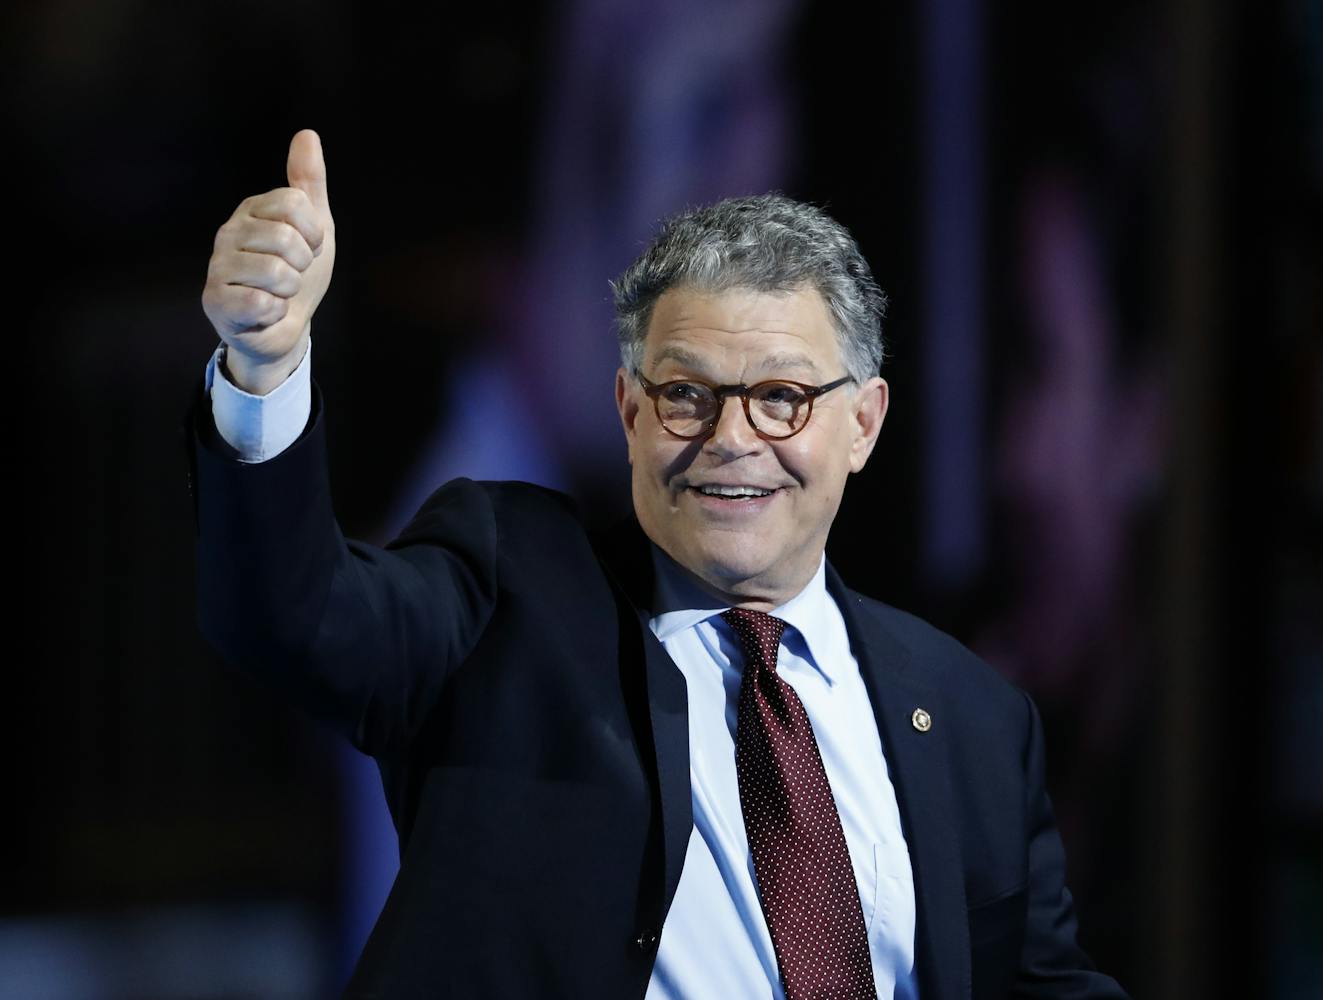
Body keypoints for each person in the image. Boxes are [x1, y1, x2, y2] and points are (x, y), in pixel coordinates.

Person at [190, 129, 1128, 1000]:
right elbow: (295, 618)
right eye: (686, 394)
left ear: (864, 424)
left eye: (782, 399)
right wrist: (263, 372)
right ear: (631, 412)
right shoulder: (507, 588)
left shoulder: (973, 715)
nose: (732, 439)